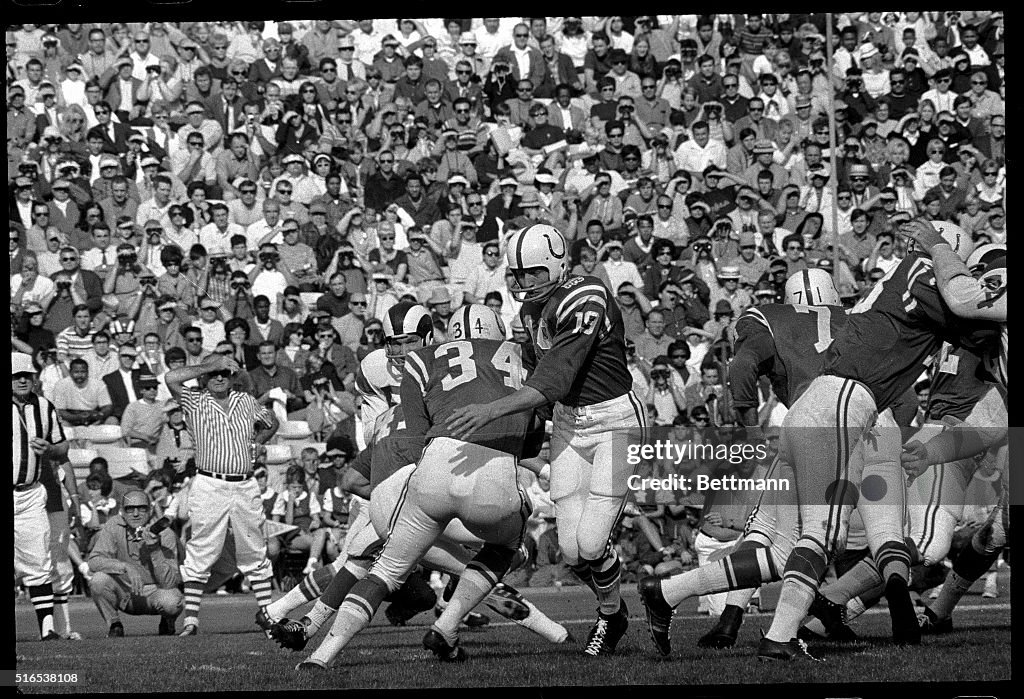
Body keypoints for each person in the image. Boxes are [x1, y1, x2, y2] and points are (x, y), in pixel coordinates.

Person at [293, 306, 568, 669]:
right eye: (394, 343)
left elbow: (412, 432)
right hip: (487, 476)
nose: (399, 350)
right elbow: (532, 434)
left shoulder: (417, 370)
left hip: (424, 475)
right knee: (509, 548)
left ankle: (321, 654)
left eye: (405, 342)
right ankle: (449, 622)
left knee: (382, 569)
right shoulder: (518, 359)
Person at [447, 223, 646, 656]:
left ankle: (611, 617)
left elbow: (554, 378)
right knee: (573, 552)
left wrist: (490, 410)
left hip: (615, 420)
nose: (521, 283)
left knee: (593, 543)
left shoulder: (586, 295)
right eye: (516, 274)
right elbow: (541, 384)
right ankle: (614, 612)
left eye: (531, 272)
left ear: (556, 264)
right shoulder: (532, 311)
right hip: (571, 423)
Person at [164, 350, 280, 636]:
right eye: (213, 374)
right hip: (209, 482)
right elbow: (170, 377)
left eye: (224, 373)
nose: (219, 377)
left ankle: (268, 616)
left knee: (254, 548)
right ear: (204, 376)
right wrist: (209, 364)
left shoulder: (245, 401)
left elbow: (272, 422)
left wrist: (258, 443)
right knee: (202, 546)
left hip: (244, 483)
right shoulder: (194, 400)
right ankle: (191, 620)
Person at [13, 352, 70, 641]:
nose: (22, 380)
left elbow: (63, 449)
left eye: (27, 375)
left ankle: (47, 629)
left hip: (30, 493)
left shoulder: (44, 406)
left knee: (38, 561)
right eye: (16, 376)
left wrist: (48, 449)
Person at [86, 489, 185, 637]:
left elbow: (169, 583)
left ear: (150, 510)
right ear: (122, 511)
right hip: (126, 593)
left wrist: (154, 549)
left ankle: (168, 622)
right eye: (130, 509)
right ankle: (114, 624)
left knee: (171, 602)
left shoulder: (166, 534)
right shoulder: (113, 526)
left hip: (156, 593)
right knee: (98, 580)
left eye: (141, 508)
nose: (136, 513)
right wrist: (125, 567)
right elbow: (93, 561)